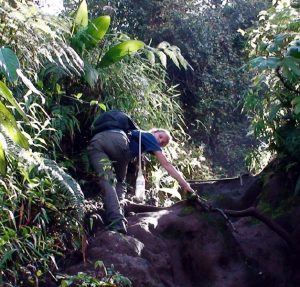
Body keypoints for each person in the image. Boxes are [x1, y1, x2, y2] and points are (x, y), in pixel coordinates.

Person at [87, 128, 194, 234]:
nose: (160, 141)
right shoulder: (149, 136)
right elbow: (166, 164)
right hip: (118, 144)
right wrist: (185, 185)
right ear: (154, 132)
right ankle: (117, 221)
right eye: (160, 137)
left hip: (96, 143)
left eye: (162, 144)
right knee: (120, 182)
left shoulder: (137, 135)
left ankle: (113, 213)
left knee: (108, 181)